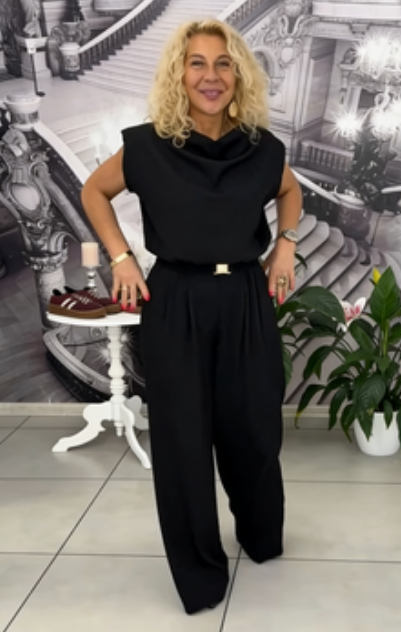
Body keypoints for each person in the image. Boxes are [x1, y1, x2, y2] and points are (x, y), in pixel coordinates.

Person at [80, 18, 302, 615]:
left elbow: (289, 191)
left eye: (223, 63)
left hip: (246, 298)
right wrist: (121, 257)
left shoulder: (263, 147)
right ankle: (200, 573)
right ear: (179, 74)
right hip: (176, 299)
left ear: (239, 74)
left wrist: (285, 245)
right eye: (197, 63)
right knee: (182, 443)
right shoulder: (147, 146)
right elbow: (93, 192)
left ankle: (260, 535)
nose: (211, 76)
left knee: (254, 431)